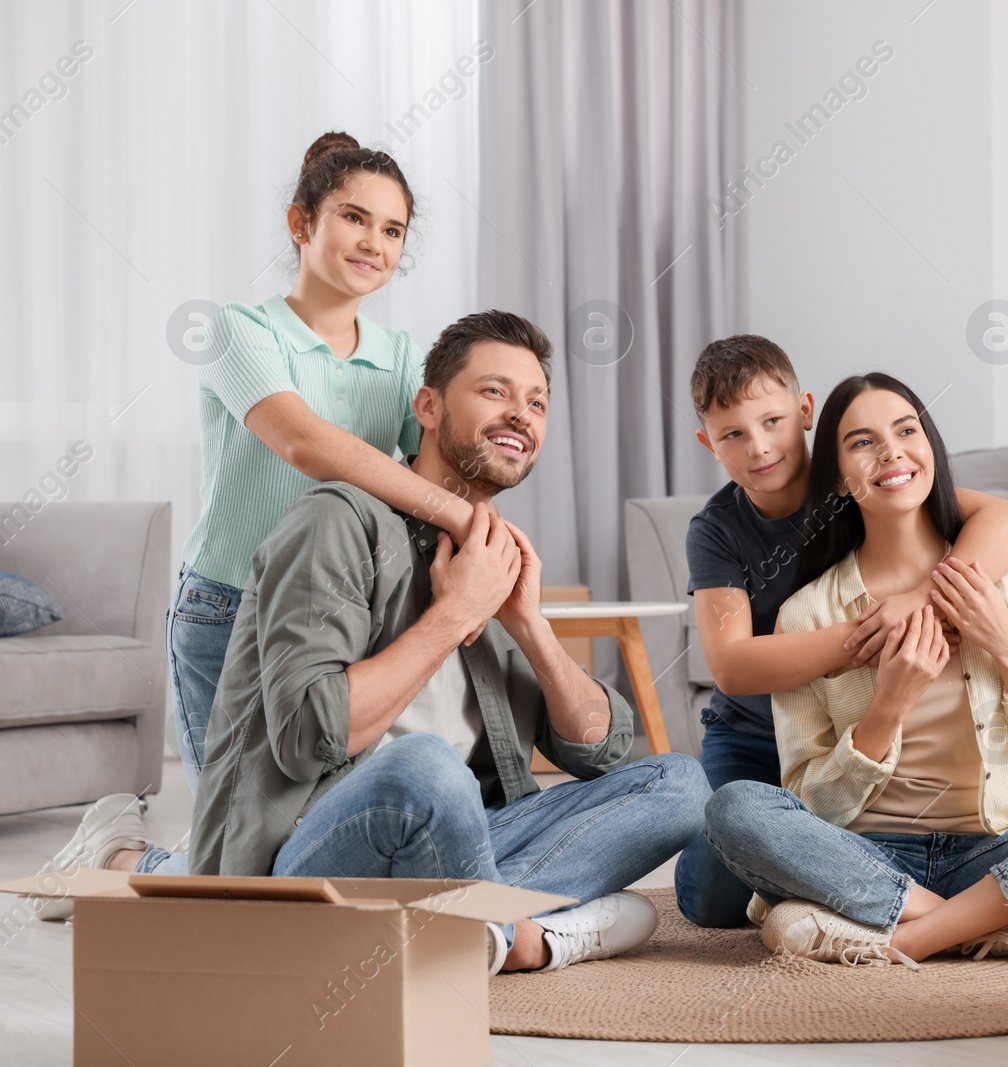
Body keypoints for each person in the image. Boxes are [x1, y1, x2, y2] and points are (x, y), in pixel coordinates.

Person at [44, 311, 710, 972]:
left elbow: (599, 747)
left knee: (678, 781)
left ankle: (476, 924)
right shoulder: (336, 521)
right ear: (426, 405)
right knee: (427, 768)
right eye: (494, 391)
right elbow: (308, 736)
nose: (522, 414)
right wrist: (454, 614)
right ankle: (520, 932)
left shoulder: (497, 556)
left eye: (536, 401)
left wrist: (528, 623)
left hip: (457, 838)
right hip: (309, 854)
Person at [702, 372, 1008, 966]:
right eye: (862, 442)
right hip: (871, 856)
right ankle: (989, 921)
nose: (891, 451)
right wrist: (887, 710)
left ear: (931, 449)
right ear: (839, 479)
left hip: (1001, 849)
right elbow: (812, 806)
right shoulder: (808, 614)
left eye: (907, 431)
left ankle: (910, 934)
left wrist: (1007, 646)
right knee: (735, 808)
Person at [673, 337, 1008, 928]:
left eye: (772, 421)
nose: (759, 446)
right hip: (753, 738)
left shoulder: (858, 481)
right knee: (714, 900)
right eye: (732, 434)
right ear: (708, 445)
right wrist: (872, 633)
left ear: (806, 411)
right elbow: (734, 667)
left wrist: (918, 599)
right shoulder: (717, 530)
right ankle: (926, 909)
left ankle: (878, 902)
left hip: (847, 728)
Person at [168, 131, 480, 797]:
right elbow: (305, 444)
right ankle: (122, 847)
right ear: (301, 222)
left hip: (333, 608)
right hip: (225, 610)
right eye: (355, 218)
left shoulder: (400, 357)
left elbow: (437, 470)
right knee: (233, 845)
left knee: (313, 825)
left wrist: (480, 525)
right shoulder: (238, 329)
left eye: (393, 229)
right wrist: (456, 510)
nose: (375, 242)